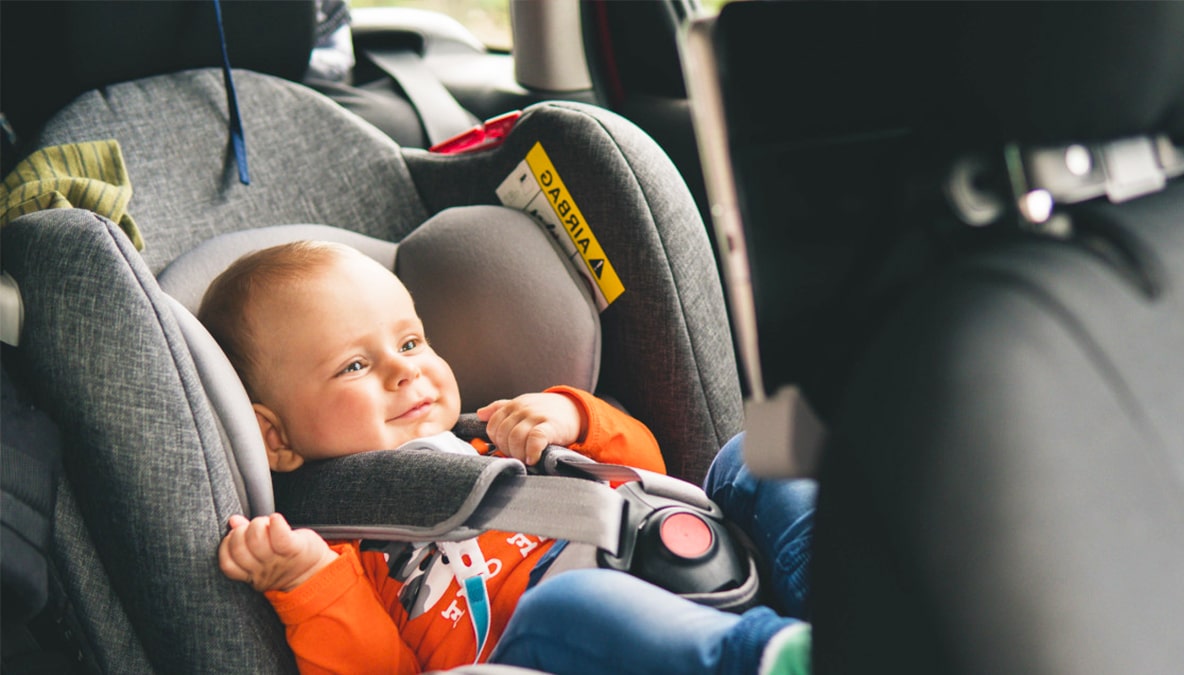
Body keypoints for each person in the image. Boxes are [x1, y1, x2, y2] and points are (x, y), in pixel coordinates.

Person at [201, 240, 816, 674]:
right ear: (275, 438)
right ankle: (780, 661)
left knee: (752, 458)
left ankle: (849, 599)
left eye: (411, 341)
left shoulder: (494, 437)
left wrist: (577, 416)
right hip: (549, 646)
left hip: (675, 563)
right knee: (571, 607)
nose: (405, 371)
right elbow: (377, 669)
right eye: (355, 366)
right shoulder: (338, 551)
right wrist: (308, 586)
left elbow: (649, 474)